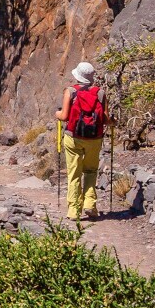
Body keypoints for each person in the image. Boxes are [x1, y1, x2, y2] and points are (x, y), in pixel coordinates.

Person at [57, 61, 110, 222]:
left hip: (73, 137)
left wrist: (56, 114)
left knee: (74, 174)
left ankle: (73, 210)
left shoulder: (70, 92)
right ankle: (90, 204)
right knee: (91, 171)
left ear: (77, 76)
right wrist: (113, 121)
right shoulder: (100, 93)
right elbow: (106, 119)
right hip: (94, 138)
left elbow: (64, 116)